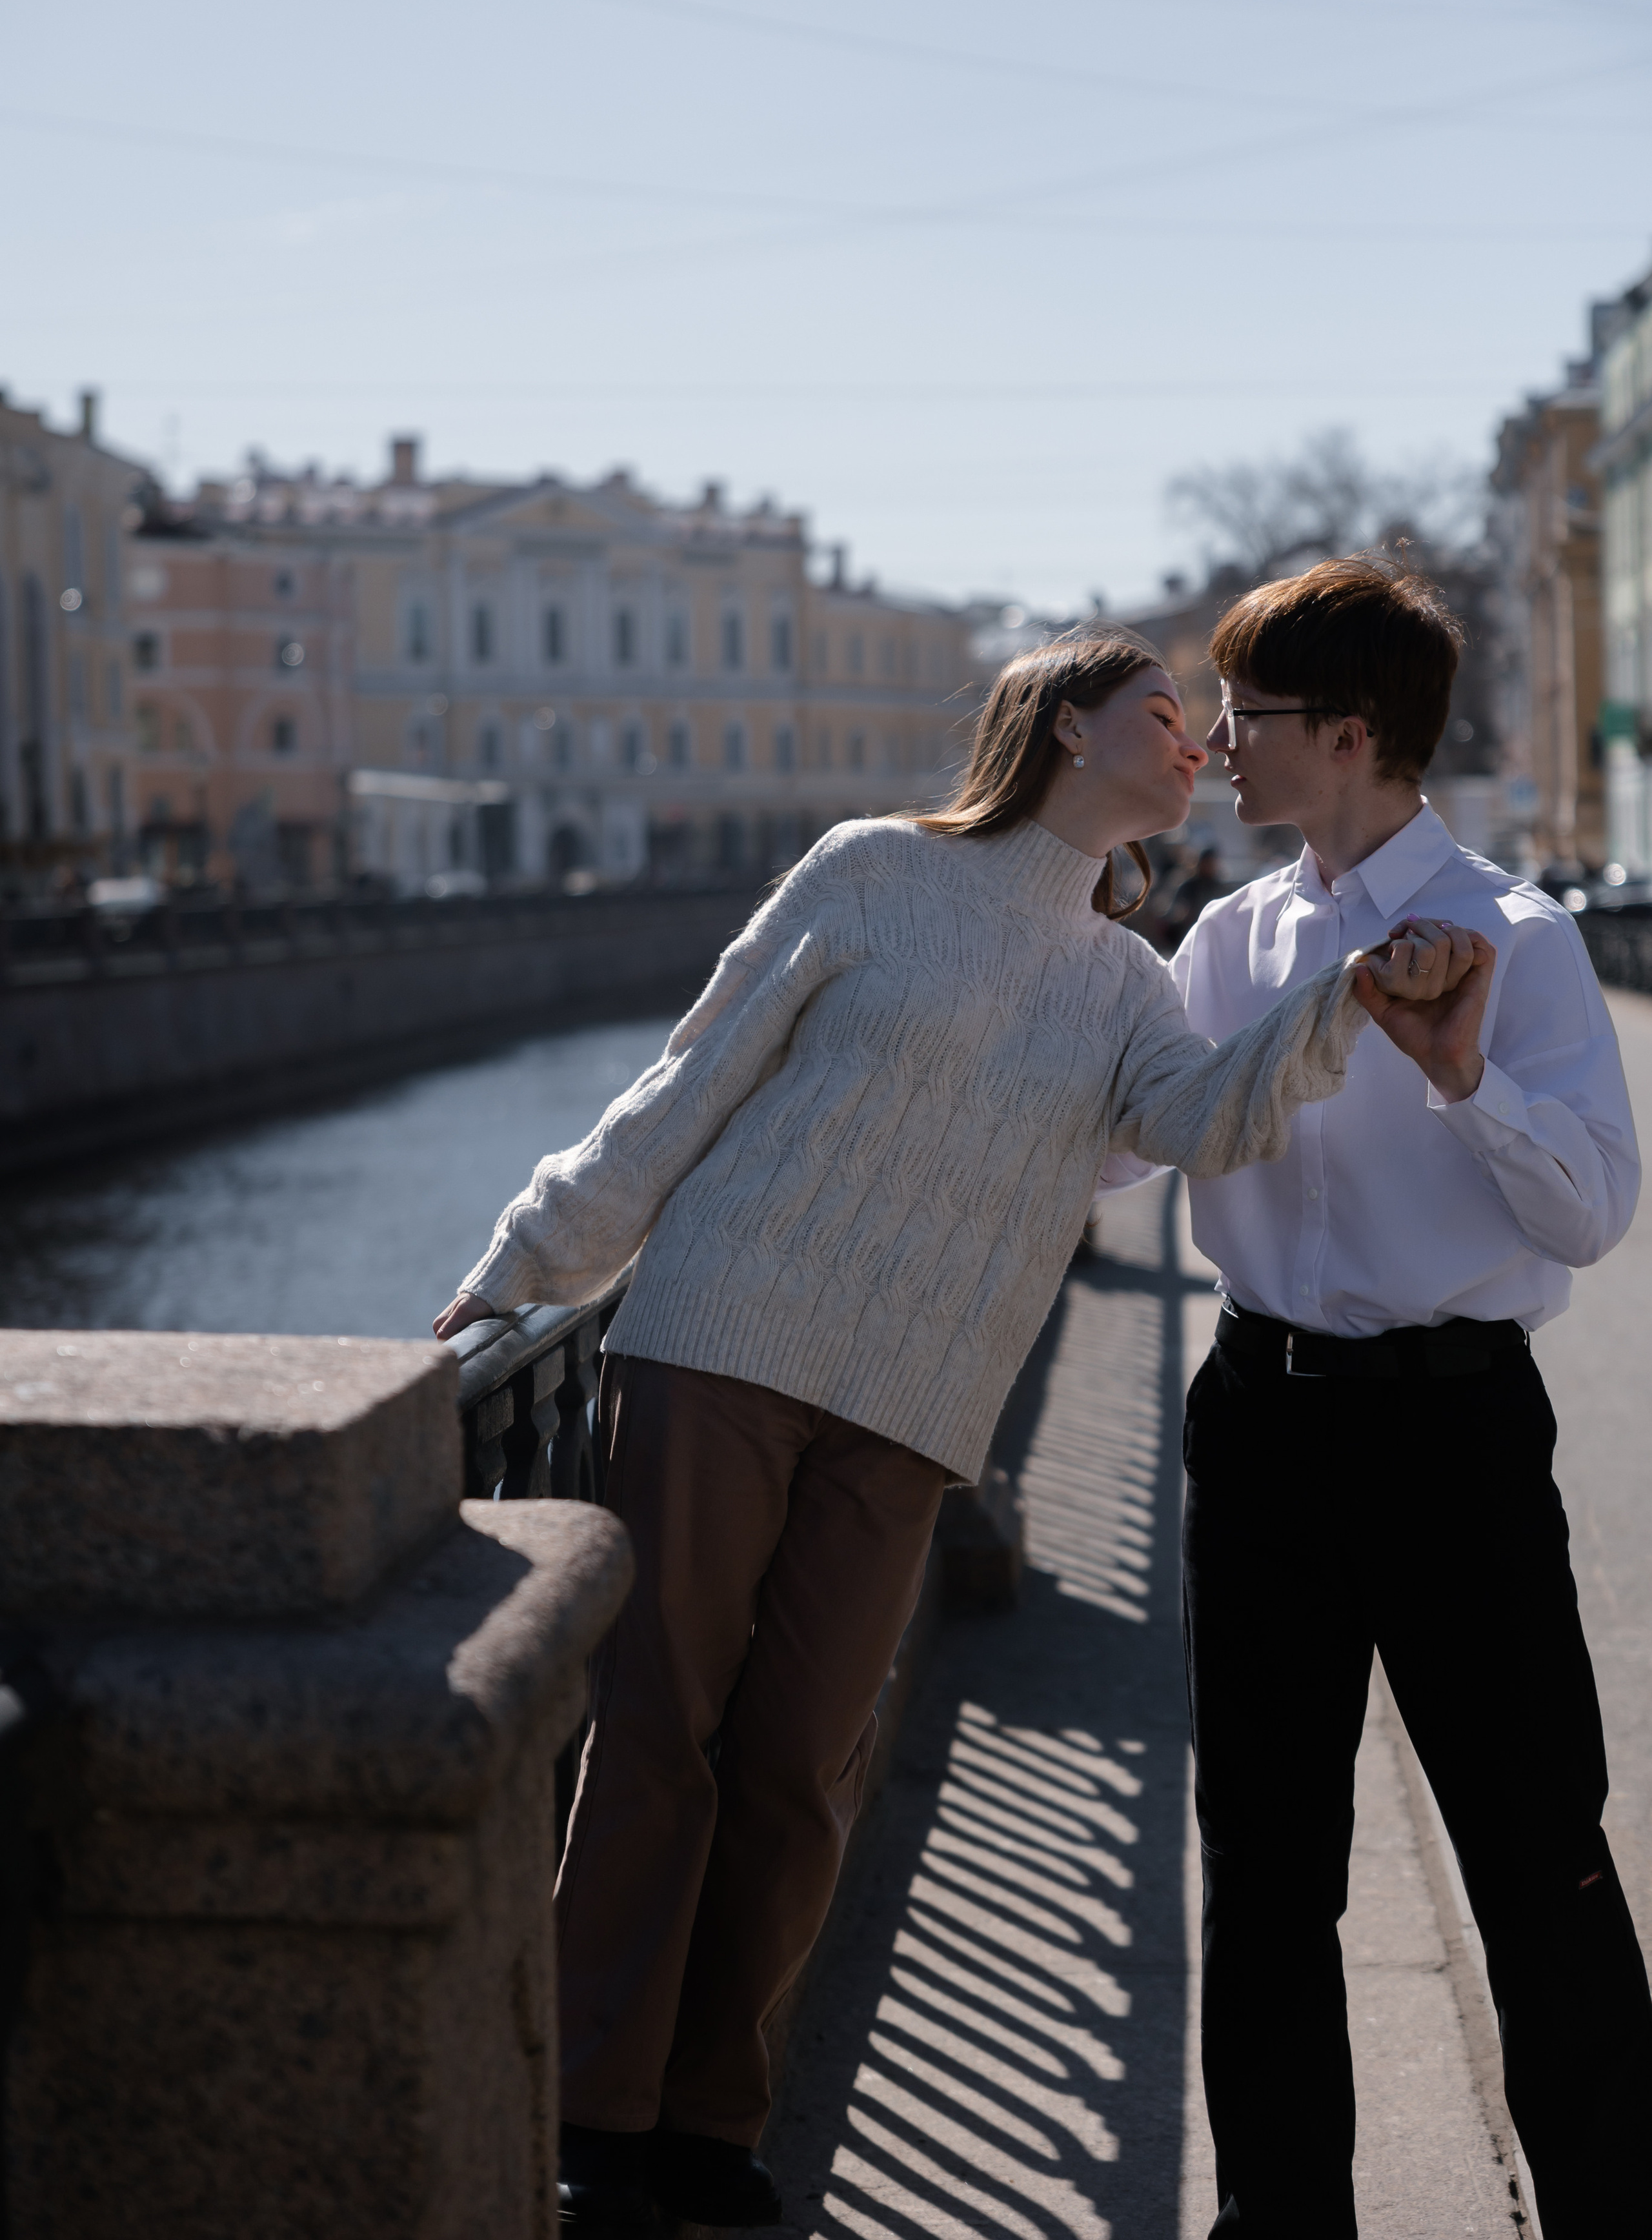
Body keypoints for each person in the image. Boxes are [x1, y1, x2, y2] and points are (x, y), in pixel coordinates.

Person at [432, 629, 1473, 2235]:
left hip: (916, 1398)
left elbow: (1200, 1123)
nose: (1194, 739)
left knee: (795, 1766)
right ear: (1063, 722)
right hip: (721, 1334)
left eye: (1204, 724)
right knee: (654, 1733)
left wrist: (1339, 998)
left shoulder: (1127, 975)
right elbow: (690, 1079)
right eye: (1159, 713)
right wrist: (532, 1255)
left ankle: (712, 2112)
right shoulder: (866, 872)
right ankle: (592, 2106)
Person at [1100, 554, 1651, 2238]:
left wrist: (1465, 1079)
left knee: (1537, 1854)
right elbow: (1126, 1160)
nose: (1217, 749)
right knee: (1262, 1873)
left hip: (1455, 1436)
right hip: (1259, 1429)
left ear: (1348, 736)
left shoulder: (1520, 936)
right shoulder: (1227, 939)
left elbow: (1593, 1217)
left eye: (1244, 718)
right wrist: (1062, 970)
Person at [1157, 842, 1228, 951]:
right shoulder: (1188, 886)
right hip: (1189, 935)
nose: (1210, 866)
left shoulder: (1219, 887)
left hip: (1212, 936)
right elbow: (1175, 911)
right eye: (1207, 862)